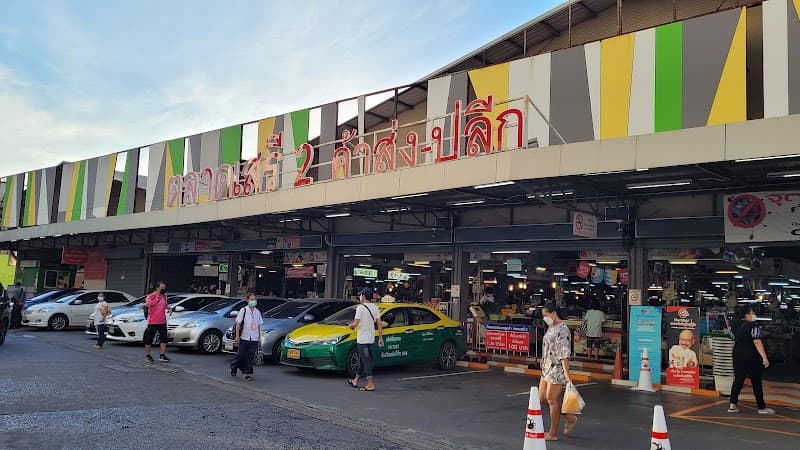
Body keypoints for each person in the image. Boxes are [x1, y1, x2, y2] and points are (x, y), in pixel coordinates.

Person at [539, 301, 578, 441]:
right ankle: (569, 417)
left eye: (546, 315)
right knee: (542, 397)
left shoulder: (563, 329)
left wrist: (567, 375)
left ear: (553, 313)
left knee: (551, 399)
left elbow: (564, 353)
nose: (545, 318)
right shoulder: (551, 327)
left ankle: (553, 433)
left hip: (557, 368)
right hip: (546, 367)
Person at [728, 306, 773, 414]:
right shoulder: (753, 326)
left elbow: (732, 337)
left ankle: (732, 405)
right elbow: (757, 342)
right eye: (752, 312)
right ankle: (761, 407)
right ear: (746, 315)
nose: (754, 315)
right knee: (756, 381)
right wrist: (764, 357)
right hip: (751, 355)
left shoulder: (734, 324)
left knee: (738, 379)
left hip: (737, 354)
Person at [347, 287, 384, 392]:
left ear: (363, 296)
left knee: (366, 361)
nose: (360, 297)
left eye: (360, 295)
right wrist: (380, 337)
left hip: (362, 339)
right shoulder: (375, 307)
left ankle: (370, 384)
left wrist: (350, 326)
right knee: (363, 360)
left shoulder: (360, 308)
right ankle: (356, 380)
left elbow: (355, 323)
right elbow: (379, 324)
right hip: (371, 338)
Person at [230, 293, 263, 380]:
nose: (253, 301)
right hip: (244, 337)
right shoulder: (243, 310)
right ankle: (234, 366)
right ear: (247, 300)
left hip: (254, 338)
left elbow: (259, 326)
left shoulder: (257, 312)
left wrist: (259, 338)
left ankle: (246, 373)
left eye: (254, 299)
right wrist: (237, 337)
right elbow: (238, 324)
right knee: (240, 355)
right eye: (251, 299)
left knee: (250, 356)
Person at [142, 282, 171, 363]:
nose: (164, 289)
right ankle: (148, 355)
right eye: (162, 288)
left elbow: (165, 305)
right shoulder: (151, 296)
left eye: (164, 288)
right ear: (157, 288)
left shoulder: (164, 297)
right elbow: (148, 304)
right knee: (148, 339)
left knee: (164, 338)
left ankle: (162, 355)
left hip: (162, 321)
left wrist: (169, 308)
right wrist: (156, 299)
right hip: (153, 322)